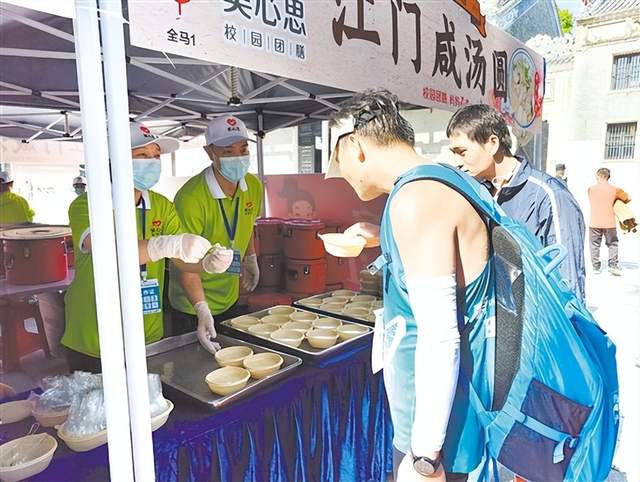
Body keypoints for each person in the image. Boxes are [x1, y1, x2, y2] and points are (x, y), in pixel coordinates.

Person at [325, 89, 493, 482]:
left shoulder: (416, 198)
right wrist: (379, 236)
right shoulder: (437, 180)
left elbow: (441, 337)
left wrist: (424, 457)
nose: (342, 176)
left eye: (337, 161)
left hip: (437, 431)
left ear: (355, 148)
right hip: (440, 415)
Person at [62, 122, 233, 373]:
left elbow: (180, 260)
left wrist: (205, 268)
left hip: (148, 334)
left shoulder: (162, 206)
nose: (152, 163)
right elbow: (108, 252)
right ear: (114, 160)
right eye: (142, 155)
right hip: (96, 337)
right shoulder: (88, 204)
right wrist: (165, 244)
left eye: (156, 156)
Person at [446, 104, 586, 300]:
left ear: (492, 143)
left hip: (537, 313)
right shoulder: (479, 193)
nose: (457, 163)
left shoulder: (547, 194)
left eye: (462, 152)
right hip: (496, 312)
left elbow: (568, 277)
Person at [169, 115, 262, 335]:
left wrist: (250, 258)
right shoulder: (191, 198)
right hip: (192, 304)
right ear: (210, 152)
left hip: (229, 295)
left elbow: (247, 224)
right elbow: (184, 261)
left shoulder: (253, 185)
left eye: (243, 149)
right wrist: (202, 309)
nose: (238, 157)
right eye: (228, 152)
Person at [587, 168, 631, 276]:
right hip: (609, 222)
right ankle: (613, 265)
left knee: (594, 244)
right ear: (608, 176)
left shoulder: (590, 189)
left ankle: (596, 267)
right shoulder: (615, 190)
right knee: (612, 244)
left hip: (594, 222)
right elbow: (627, 198)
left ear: (598, 176)